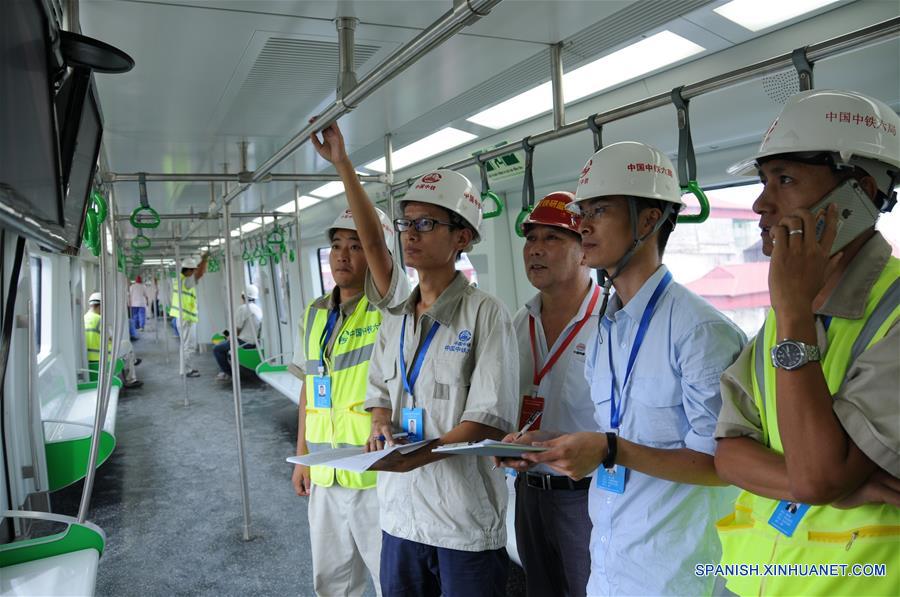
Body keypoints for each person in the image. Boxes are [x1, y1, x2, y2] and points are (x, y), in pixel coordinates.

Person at [518, 142, 746, 596]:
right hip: (609, 560)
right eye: (583, 212)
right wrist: (554, 445)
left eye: (599, 210)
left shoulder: (700, 331)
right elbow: (615, 431)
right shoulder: (607, 324)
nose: (582, 224)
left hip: (678, 570)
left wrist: (609, 449)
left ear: (648, 220)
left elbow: (723, 465)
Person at [311, 121, 519, 597]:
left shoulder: (486, 314)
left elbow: (487, 421)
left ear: (462, 237)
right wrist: (381, 425)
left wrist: (413, 457)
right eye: (407, 224)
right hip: (399, 516)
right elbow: (380, 392)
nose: (411, 235)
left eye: (427, 224)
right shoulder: (396, 316)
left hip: (461, 521)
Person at [713, 89, 900, 596]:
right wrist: (836, 485)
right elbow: (728, 454)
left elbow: (818, 478)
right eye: (763, 180)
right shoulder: (787, 308)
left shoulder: (885, 310)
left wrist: (794, 313)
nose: (760, 203)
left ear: (860, 193)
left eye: (786, 179)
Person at [496, 192, 600, 597]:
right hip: (527, 493)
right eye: (531, 239)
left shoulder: (609, 322)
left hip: (587, 495)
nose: (535, 250)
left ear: (584, 252)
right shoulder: (517, 323)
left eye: (552, 239)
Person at [289, 207, 394, 597]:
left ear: (375, 253)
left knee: (390, 580)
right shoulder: (315, 314)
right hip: (324, 472)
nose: (342, 256)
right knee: (330, 582)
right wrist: (302, 456)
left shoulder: (388, 309)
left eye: (356, 246)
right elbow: (308, 388)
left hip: (374, 473)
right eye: (335, 246)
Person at [84, 292, 142, 389]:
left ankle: (132, 361)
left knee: (127, 351)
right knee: (127, 345)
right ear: (101, 305)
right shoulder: (100, 320)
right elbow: (112, 338)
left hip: (88, 357)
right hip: (104, 356)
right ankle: (131, 379)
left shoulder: (84, 318)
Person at [169, 253, 208, 377]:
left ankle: (185, 369)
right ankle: (186, 371)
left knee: (185, 345)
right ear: (189, 270)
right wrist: (204, 259)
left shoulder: (180, 279)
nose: (194, 272)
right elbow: (200, 274)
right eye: (193, 270)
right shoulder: (186, 281)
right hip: (187, 319)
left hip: (182, 318)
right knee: (189, 346)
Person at [214, 284, 263, 381]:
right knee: (224, 340)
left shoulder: (243, 308)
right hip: (253, 342)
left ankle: (228, 374)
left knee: (217, 349)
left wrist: (227, 336)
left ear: (242, 296)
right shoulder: (258, 309)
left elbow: (236, 331)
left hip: (243, 342)